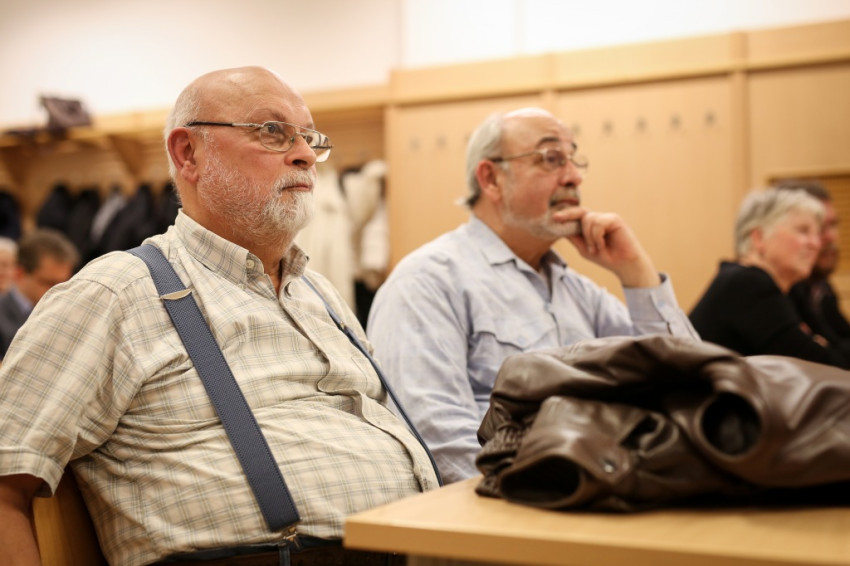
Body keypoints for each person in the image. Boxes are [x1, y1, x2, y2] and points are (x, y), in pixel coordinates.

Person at [0, 66, 438, 566]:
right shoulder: (116, 291)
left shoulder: (321, 294)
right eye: (273, 132)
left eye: (310, 138)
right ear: (188, 154)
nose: (304, 154)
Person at [367, 107, 699, 484]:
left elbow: (690, 389)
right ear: (491, 178)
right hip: (509, 504)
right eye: (551, 158)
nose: (573, 176)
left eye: (574, 159)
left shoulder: (577, 291)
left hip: (602, 489)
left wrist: (635, 272)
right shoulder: (428, 280)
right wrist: (543, 497)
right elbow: (436, 438)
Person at [689, 187, 849, 368]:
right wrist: (819, 344)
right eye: (803, 231)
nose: (816, 244)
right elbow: (822, 364)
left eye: (816, 234)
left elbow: (833, 347)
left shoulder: (790, 288)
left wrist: (823, 345)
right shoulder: (748, 284)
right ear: (758, 237)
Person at [780, 181, 850, 361]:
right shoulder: (779, 289)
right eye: (819, 227)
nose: (831, 237)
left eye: (833, 225)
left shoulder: (820, 287)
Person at [0, 228, 78, 358]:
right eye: (49, 283)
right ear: (19, 274)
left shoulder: (69, 315)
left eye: (64, 283)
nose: (59, 291)